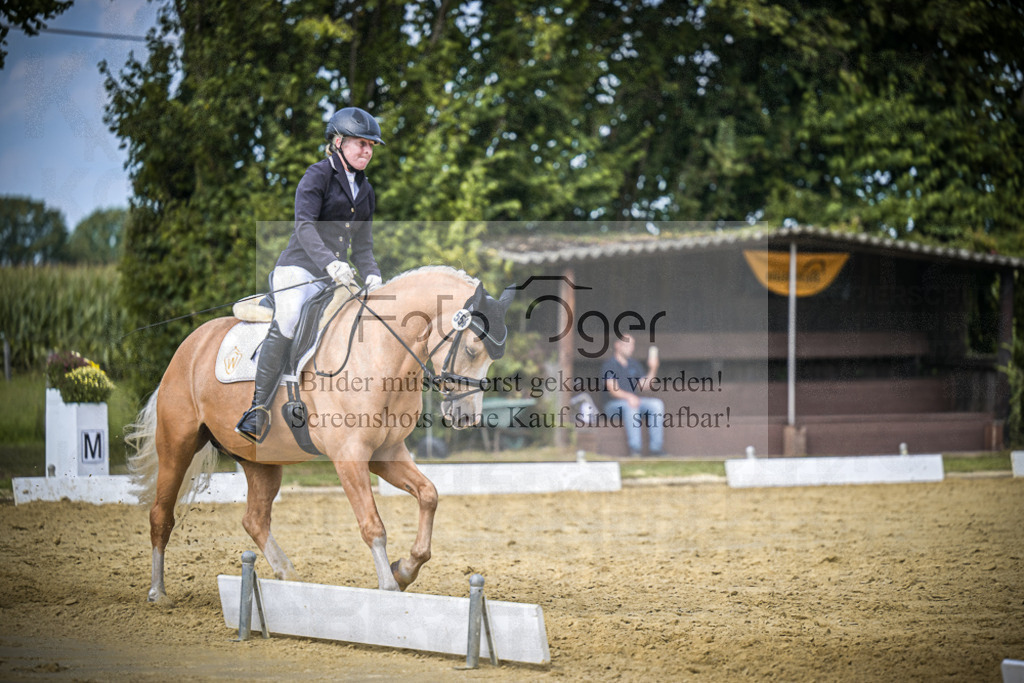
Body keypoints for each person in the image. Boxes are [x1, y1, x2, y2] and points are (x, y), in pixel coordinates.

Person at [235, 106, 385, 444]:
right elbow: (304, 226)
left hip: (335, 278)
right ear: (338, 142)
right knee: (289, 319)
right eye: (361, 143)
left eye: (371, 145)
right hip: (298, 269)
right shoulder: (317, 175)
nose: (367, 150)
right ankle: (257, 409)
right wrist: (330, 263)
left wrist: (373, 275)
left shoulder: (366, 191)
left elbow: (363, 247)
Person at [601, 334, 665, 457]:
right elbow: (613, 390)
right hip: (612, 406)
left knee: (657, 405)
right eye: (627, 344)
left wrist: (653, 368)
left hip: (633, 402)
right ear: (617, 345)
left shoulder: (634, 364)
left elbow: (645, 385)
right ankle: (635, 450)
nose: (631, 348)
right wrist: (629, 397)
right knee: (631, 407)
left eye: (632, 345)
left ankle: (656, 449)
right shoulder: (609, 364)